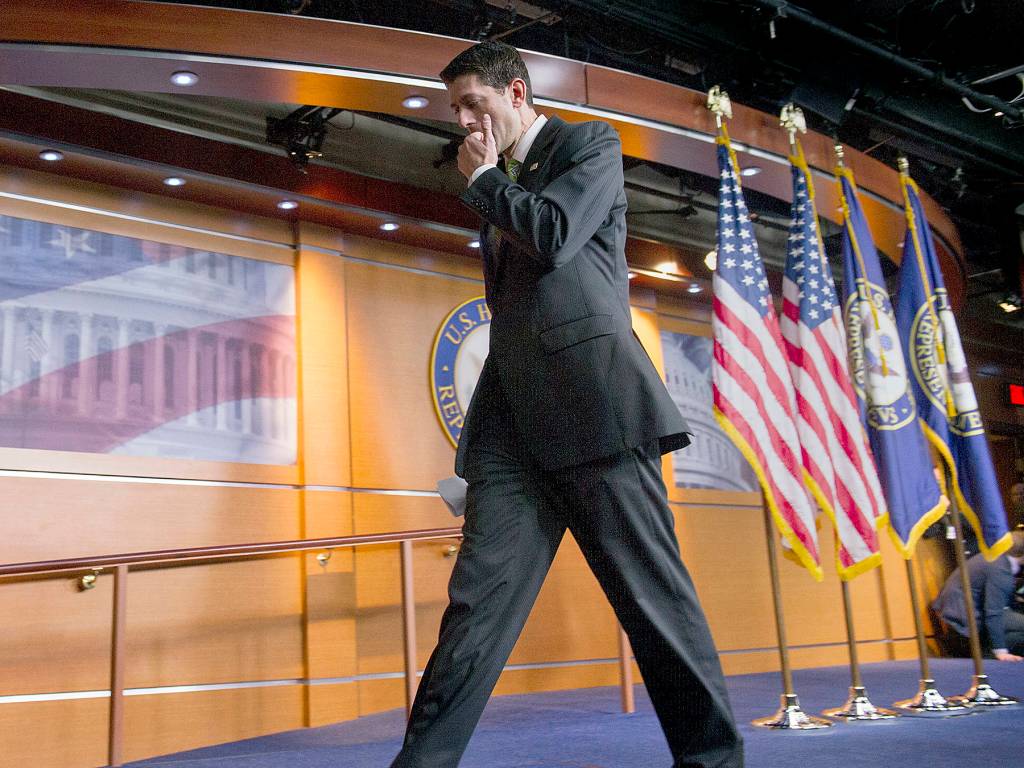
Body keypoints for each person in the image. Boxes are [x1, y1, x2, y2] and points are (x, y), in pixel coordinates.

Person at [390, 41, 742, 768]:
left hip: (598, 412)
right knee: (474, 612)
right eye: (455, 110)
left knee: (653, 607)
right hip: (512, 430)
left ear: (516, 93)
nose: (464, 121)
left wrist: (484, 180)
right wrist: (491, 182)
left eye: (473, 104)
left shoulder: (588, 145)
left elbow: (553, 235)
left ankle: (714, 762)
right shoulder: (500, 182)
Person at [932, 528, 1024, 661]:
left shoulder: (994, 557)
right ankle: (989, 654)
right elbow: (994, 613)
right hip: (964, 625)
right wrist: (1000, 651)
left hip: (956, 617)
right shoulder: (1000, 569)